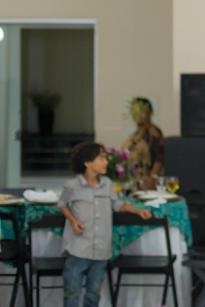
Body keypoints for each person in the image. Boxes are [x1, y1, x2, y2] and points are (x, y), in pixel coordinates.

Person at [58, 142, 153, 307]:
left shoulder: (107, 184)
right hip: (78, 248)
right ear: (88, 163)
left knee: (94, 293)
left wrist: (137, 211)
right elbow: (62, 204)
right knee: (71, 292)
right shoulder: (72, 186)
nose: (106, 162)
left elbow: (117, 204)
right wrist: (73, 220)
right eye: (101, 158)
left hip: (101, 250)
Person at [121, 97, 164, 190]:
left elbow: (158, 159)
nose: (139, 115)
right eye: (135, 112)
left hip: (147, 179)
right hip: (133, 181)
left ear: (149, 113)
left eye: (142, 112)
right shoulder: (134, 135)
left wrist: (152, 179)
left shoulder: (153, 133)